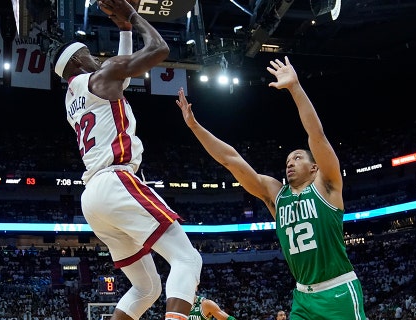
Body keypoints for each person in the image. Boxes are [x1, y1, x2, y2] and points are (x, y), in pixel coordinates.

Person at [175, 56, 366, 320]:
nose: (290, 163)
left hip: (338, 290)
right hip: (303, 297)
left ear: (314, 168)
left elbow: (317, 136)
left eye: (298, 158)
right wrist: (195, 126)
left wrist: (295, 88)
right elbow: (231, 160)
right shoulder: (277, 195)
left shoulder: (328, 186)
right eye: (287, 160)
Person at [50, 0, 202, 319]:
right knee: (188, 259)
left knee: (147, 289)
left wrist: (125, 31)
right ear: (80, 59)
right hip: (116, 180)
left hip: (92, 199)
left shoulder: (73, 98)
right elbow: (159, 50)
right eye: (89, 53)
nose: (96, 55)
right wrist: (133, 15)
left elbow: (122, 77)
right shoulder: (101, 76)